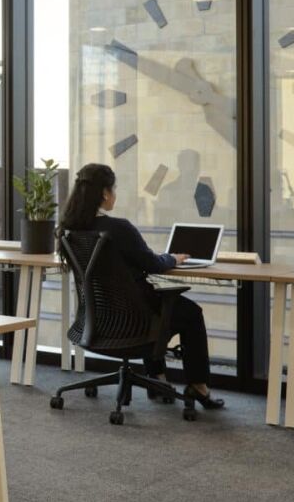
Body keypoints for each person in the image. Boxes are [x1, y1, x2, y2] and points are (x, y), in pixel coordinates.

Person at [59, 162, 224, 410]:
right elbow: (152, 263)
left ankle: (156, 379)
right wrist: (173, 258)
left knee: (151, 305)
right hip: (135, 322)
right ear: (105, 193)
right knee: (188, 312)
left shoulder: (68, 230)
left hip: (98, 322)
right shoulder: (119, 228)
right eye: (113, 190)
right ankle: (198, 387)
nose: (114, 195)